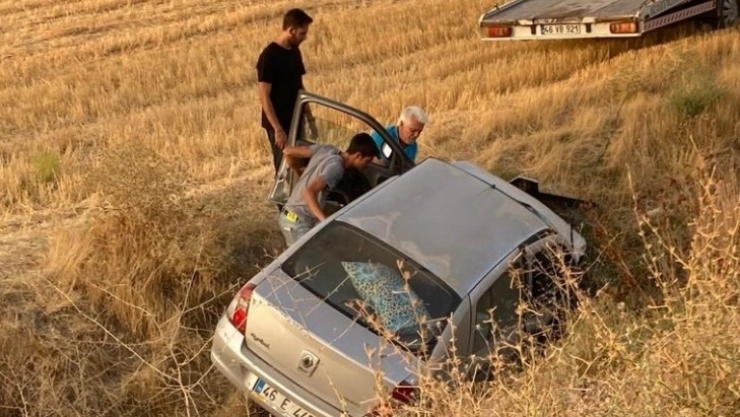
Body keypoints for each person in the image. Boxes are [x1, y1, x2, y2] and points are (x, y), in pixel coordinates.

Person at [278, 133, 380, 247]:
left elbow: (288, 151)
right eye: (367, 161)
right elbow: (308, 192)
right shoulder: (336, 168)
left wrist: (300, 172)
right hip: (297, 221)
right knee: (309, 257)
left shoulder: (327, 149)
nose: (366, 166)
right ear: (358, 156)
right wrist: (325, 222)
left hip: (294, 216)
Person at [256, 8, 318, 178]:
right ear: (291, 30)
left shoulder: (294, 52)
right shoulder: (269, 57)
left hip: (296, 119)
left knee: (301, 164)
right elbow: (264, 95)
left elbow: (300, 88)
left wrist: (310, 118)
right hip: (280, 124)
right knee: (284, 168)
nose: (305, 37)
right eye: (302, 33)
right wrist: (277, 129)